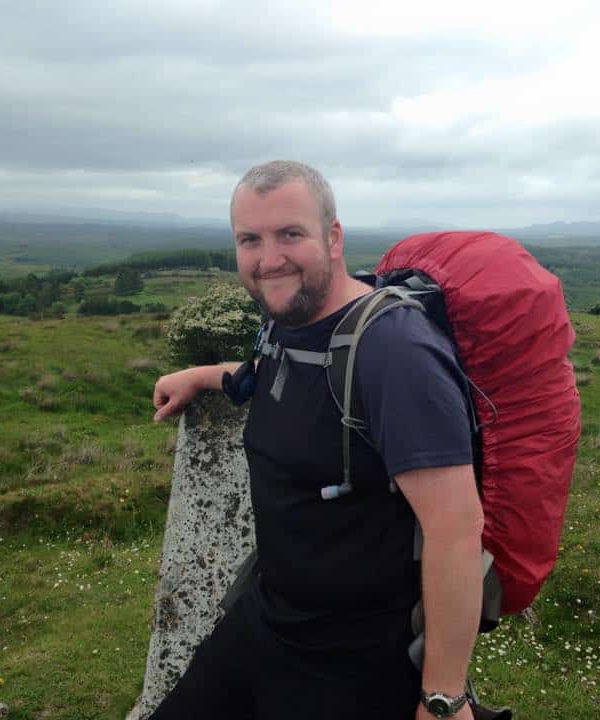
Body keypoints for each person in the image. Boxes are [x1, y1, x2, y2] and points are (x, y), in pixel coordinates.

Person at [150, 160, 483, 720]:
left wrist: (443, 698)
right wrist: (205, 376)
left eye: (290, 234)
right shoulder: (289, 319)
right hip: (269, 612)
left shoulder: (396, 353)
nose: (268, 259)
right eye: (249, 240)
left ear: (333, 239)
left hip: (350, 657)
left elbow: (456, 528)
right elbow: (281, 378)